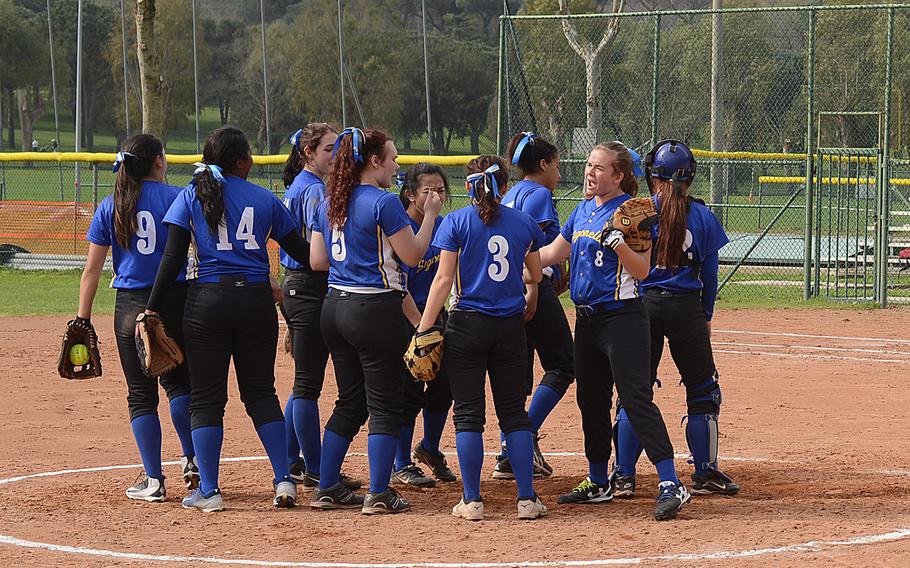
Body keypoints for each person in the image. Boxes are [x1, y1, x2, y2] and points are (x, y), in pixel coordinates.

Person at [145, 126, 314, 512]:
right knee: (261, 392)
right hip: (255, 300)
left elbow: (172, 259)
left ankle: (209, 489)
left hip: (207, 302)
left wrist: (152, 307)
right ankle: (284, 480)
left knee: (206, 398)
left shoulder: (191, 194)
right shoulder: (263, 197)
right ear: (242, 162)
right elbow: (301, 253)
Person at [538, 141, 690, 520]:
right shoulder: (582, 211)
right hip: (587, 320)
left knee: (636, 400)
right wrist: (512, 253)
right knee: (590, 401)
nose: (590, 172)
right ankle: (597, 480)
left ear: (619, 176)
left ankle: (671, 481)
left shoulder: (635, 212)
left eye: (599, 168)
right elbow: (553, 253)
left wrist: (620, 245)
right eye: (589, 165)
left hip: (623, 318)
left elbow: (642, 271)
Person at [308, 128, 441, 514]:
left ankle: (327, 485)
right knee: (384, 404)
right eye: (393, 158)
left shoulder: (331, 198)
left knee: (350, 400)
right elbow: (414, 255)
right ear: (374, 161)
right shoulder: (382, 203)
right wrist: (429, 217)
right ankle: (380, 492)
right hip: (373, 308)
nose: (397, 165)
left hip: (333, 307)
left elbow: (318, 260)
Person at [416, 155, 548, 521]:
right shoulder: (524, 223)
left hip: (466, 326)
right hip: (509, 327)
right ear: (505, 186)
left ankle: (472, 501)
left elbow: (442, 281)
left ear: (468, 186)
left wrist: (424, 328)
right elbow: (534, 274)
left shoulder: (456, 222)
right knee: (514, 416)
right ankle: (526, 500)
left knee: (469, 417)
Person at [611, 139, 740, 497]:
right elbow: (710, 275)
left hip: (642, 307)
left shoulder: (637, 211)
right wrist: (706, 315)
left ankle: (623, 475)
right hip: (685, 308)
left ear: (652, 176)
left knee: (634, 392)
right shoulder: (700, 214)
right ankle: (705, 471)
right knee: (702, 390)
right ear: (690, 177)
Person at [78, 134, 197, 502]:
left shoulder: (110, 205)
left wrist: (82, 319)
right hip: (175, 299)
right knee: (179, 384)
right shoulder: (179, 197)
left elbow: (92, 271)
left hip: (130, 305)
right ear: (159, 162)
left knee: (141, 395)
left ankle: (154, 480)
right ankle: (193, 460)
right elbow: (198, 250)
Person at [278, 123, 362, 494]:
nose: (335, 155)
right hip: (309, 287)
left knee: (304, 383)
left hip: (298, 288)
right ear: (307, 154)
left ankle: (291, 458)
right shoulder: (313, 191)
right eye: (328, 149)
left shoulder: (303, 186)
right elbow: (320, 255)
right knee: (307, 384)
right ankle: (314, 468)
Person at [492, 131, 575, 481]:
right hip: (531, 289)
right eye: (555, 165)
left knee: (519, 375)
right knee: (563, 364)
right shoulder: (539, 193)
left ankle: (509, 451)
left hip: (508, 291)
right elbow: (534, 250)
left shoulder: (511, 194)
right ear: (542, 164)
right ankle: (517, 443)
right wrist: (541, 281)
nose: (558, 173)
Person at [392, 163, 457, 488]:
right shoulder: (399, 227)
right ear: (410, 194)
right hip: (406, 317)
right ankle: (400, 462)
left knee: (445, 386)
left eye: (441, 190)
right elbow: (398, 284)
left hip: (434, 316)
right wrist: (421, 327)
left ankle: (429, 448)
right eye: (428, 191)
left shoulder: (444, 225)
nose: (436, 197)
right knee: (410, 390)